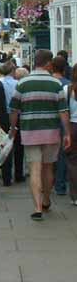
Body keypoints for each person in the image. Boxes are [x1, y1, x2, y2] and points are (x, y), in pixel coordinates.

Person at [9, 49, 71, 221]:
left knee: (34, 168)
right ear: (48, 63)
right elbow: (63, 111)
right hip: (51, 131)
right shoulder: (55, 84)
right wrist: (67, 133)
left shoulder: (22, 83)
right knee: (48, 167)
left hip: (30, 131)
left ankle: (37, 208)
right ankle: (46, 199)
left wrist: (13, 128)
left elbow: (14, 109)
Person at [52, 55, 70, 196]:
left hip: (49, 122)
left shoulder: (48, 82)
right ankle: (60, 185)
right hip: (63, 122)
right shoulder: (67, 85)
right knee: (62, 155)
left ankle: (49, 182)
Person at [64, 65, 77, 206]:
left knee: (73, 162)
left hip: (73, 127)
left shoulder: (67, 89)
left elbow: (63, 111)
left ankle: (75, 195)